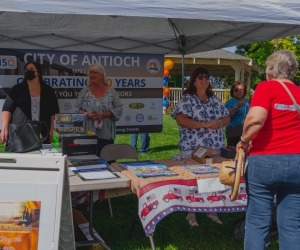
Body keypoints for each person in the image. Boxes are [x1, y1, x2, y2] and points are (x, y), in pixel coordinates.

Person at [236, 50, 300, 250]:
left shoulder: (266, 87)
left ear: (271, 70)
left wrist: (244, 140)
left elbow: (256, 119)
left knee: (257, 223)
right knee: (291, 225)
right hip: (297, 160)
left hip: (265, 160)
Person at [171, 67, 230, 226]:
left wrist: (218, 123)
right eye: (200, 77)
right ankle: (191, 212)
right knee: (194, 179)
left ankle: (211, 209)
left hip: (214, 147)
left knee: (213, 178)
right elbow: (180, 120)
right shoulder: (187, 99)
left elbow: (226, 117)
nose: (204, 79)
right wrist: (203, 124)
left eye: (206, 77)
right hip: (193, 147)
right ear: (194, 81)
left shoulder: (214, 99)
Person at [0, 61, 59, 144]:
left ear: (38, 72)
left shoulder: (48, 90)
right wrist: (5, 128)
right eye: (26, 69)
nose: (28, 71)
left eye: (31, 69)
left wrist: (52, 129)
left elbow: (54, 112)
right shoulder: (17, 89)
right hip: (20, 133)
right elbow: (7, 109)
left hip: (42, 133)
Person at [74, 63, 123, 156]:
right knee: (89, 161)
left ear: (102, 75)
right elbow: (76, 109)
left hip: (106, 133)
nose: (92, 75)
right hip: (88, 133)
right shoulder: (84, 91)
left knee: (108, 160)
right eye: (90, 72)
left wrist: (104, 115)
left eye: (95, 72)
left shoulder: (111, 91)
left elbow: (119, 109)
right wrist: (87, 114)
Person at [225, 81, 250, 146]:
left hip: (244, 130)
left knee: (243, 150)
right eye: (236, 90)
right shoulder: (229, 102)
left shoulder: (246, 102)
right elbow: (229, 114)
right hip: (233, 130)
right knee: (233, 151)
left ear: (244, 91)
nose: (238, 91)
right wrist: (237, 106)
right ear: (232, 91)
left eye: (241, 90)